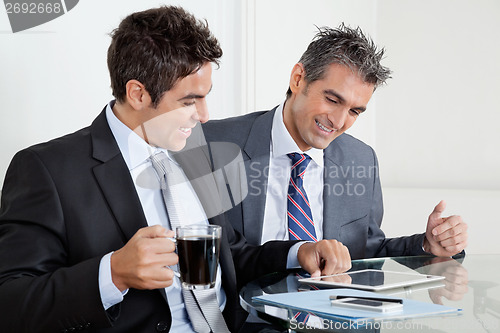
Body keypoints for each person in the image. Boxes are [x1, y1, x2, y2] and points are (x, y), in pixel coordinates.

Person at [0, 7, 350, 333]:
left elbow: (230, 253)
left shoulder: (196, 151)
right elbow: (11, 302)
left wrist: (297, 252)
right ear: (138, 94)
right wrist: (113, 273)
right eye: (189, 101)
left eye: (205, 96)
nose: (204, 115)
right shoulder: (46, 169)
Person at [202, 24, 468, 260]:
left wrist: (426, 245)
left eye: (355, 111)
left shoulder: (361, 159)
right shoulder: (213, 144)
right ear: (298, 79)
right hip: (247, 314)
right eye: (332, 100)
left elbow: (366, 252)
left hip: (331, 313)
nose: (339, 121)